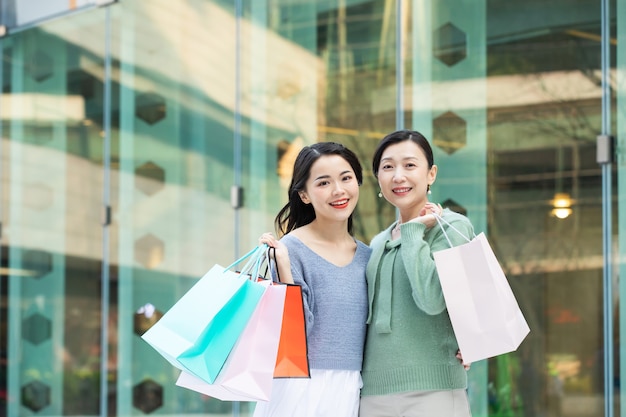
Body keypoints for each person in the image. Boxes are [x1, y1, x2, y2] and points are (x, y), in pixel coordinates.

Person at [359, 129, 474, 417]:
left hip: (434, 390)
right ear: (378, 179)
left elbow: (431, 299)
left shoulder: (452, 228)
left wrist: (413, 231)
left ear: (431, 174)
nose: (398, 176)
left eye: (410, 165)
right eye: (387, 167)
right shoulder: (377, 242)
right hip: (372, 392)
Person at [253, 142, 372, 417]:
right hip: (298, 388)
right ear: (304, 194)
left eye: (346, 178)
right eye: (323, 183)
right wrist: (284, 268)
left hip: (352, 386)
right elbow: (295, 335)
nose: (338, 190)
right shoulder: (290, 249)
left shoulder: (369, 256)